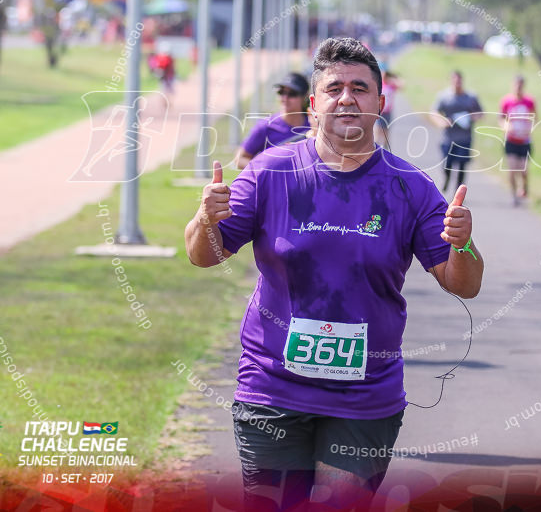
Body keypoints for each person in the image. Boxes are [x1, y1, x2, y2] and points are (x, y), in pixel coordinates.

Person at [184, 37, 484, 510]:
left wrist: (462, 241)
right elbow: (204, 254)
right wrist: (206, 219)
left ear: (380, 104)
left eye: (360, 88)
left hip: (364, 395)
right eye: (335, 87)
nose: (347, 98)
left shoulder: (410, 188)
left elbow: (464, 283)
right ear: (314, 103)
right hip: (272, 385)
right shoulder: (270, 171)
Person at [233, 72, 311, 170]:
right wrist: (266, 170)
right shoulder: (266, 126)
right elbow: (240, 159)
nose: (285, 98)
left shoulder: (313, 125)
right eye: (281, 92)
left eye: (292, 94)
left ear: (305, 97)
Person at [432, 70, 483, 195]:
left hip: (465, 138)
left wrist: (470, 118)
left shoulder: (470, 97)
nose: (457, 83)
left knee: (462, 165)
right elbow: (434, 112)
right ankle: (447, 178)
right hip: (448, 138)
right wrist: (442, 121)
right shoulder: (444, 97)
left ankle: (458, 192)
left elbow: (480, 113)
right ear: (451, 81)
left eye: (459, 80)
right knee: (447, 164)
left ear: (462, 81)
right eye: (454, 80)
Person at [499, 75, 536, 206]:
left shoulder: (529, 101)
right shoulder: (506, 101)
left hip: (524, 141)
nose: (518, 88)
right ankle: (514, 196)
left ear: (523, 86)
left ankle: (524, 187)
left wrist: (529, 128)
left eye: (520, 85)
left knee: (524, 171)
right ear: (512, 85)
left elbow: (534, 117)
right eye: (516, 85)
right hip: (511, 140)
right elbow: (501, 119)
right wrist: (506, 126)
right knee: (512, 170)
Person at [373, 67, 402, 145]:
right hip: (379, 111)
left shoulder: (391, 85)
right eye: (382, 75)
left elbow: (401, 86)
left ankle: (386, 150)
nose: (384, 76)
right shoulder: (379, 85)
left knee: (386, 134)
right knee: (377, 132)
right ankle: (376, 151)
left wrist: (395, 77)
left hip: (388, 112)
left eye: (386, 75)